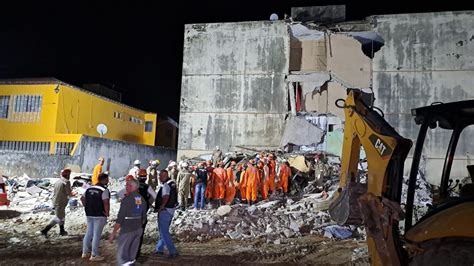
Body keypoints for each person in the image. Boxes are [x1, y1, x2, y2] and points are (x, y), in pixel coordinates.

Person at [109, 179, 147, 265]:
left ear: (131, 187)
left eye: (127, 185)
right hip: (138, 229)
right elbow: (144, 217)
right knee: (132, 254)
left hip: (127, 229)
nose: (126, 187)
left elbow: (120, 218)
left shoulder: (127, 200)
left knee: (122, 254)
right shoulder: (142, 199)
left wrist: (113, 233)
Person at [81, 173, 110, 262]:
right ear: (104, 180)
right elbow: (106, 202)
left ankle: (85, 252)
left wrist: (87, 206)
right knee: (96, 234)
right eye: (107, 179)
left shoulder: (89, 188)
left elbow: (82, 199)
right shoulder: (104, 190)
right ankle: (94, 255)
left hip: (89, 213)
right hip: (99, 214)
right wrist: (107, 213)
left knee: (89, 232)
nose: (108, 181)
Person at [41, 168, 77, 237]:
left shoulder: (58, 181)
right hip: (61, 202)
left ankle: (62, 230)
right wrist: (74, 194)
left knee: (62, 216)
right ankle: (45, 230)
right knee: (58, 217)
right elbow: (69, 193)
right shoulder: (67, 182)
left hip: (56, 201)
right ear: (67, 175)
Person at [154, 170, 178, 258]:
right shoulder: (172, 184)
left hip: (165, 210)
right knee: (163, 231)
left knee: (164, 232)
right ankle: (159, 249)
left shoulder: (166, 185)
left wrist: (161, 207)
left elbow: (166, 196)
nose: (159, 178)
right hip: (171, 210)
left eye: (160, 176)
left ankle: (172, 251)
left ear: (164, 175)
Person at [136, 168, 157, 259]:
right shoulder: (147, 187)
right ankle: (137, 253)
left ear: (137, 176)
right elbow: (155, 196)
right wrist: (149, 202)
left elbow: (120, 195)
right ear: (146, 177)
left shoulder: (132, 186)